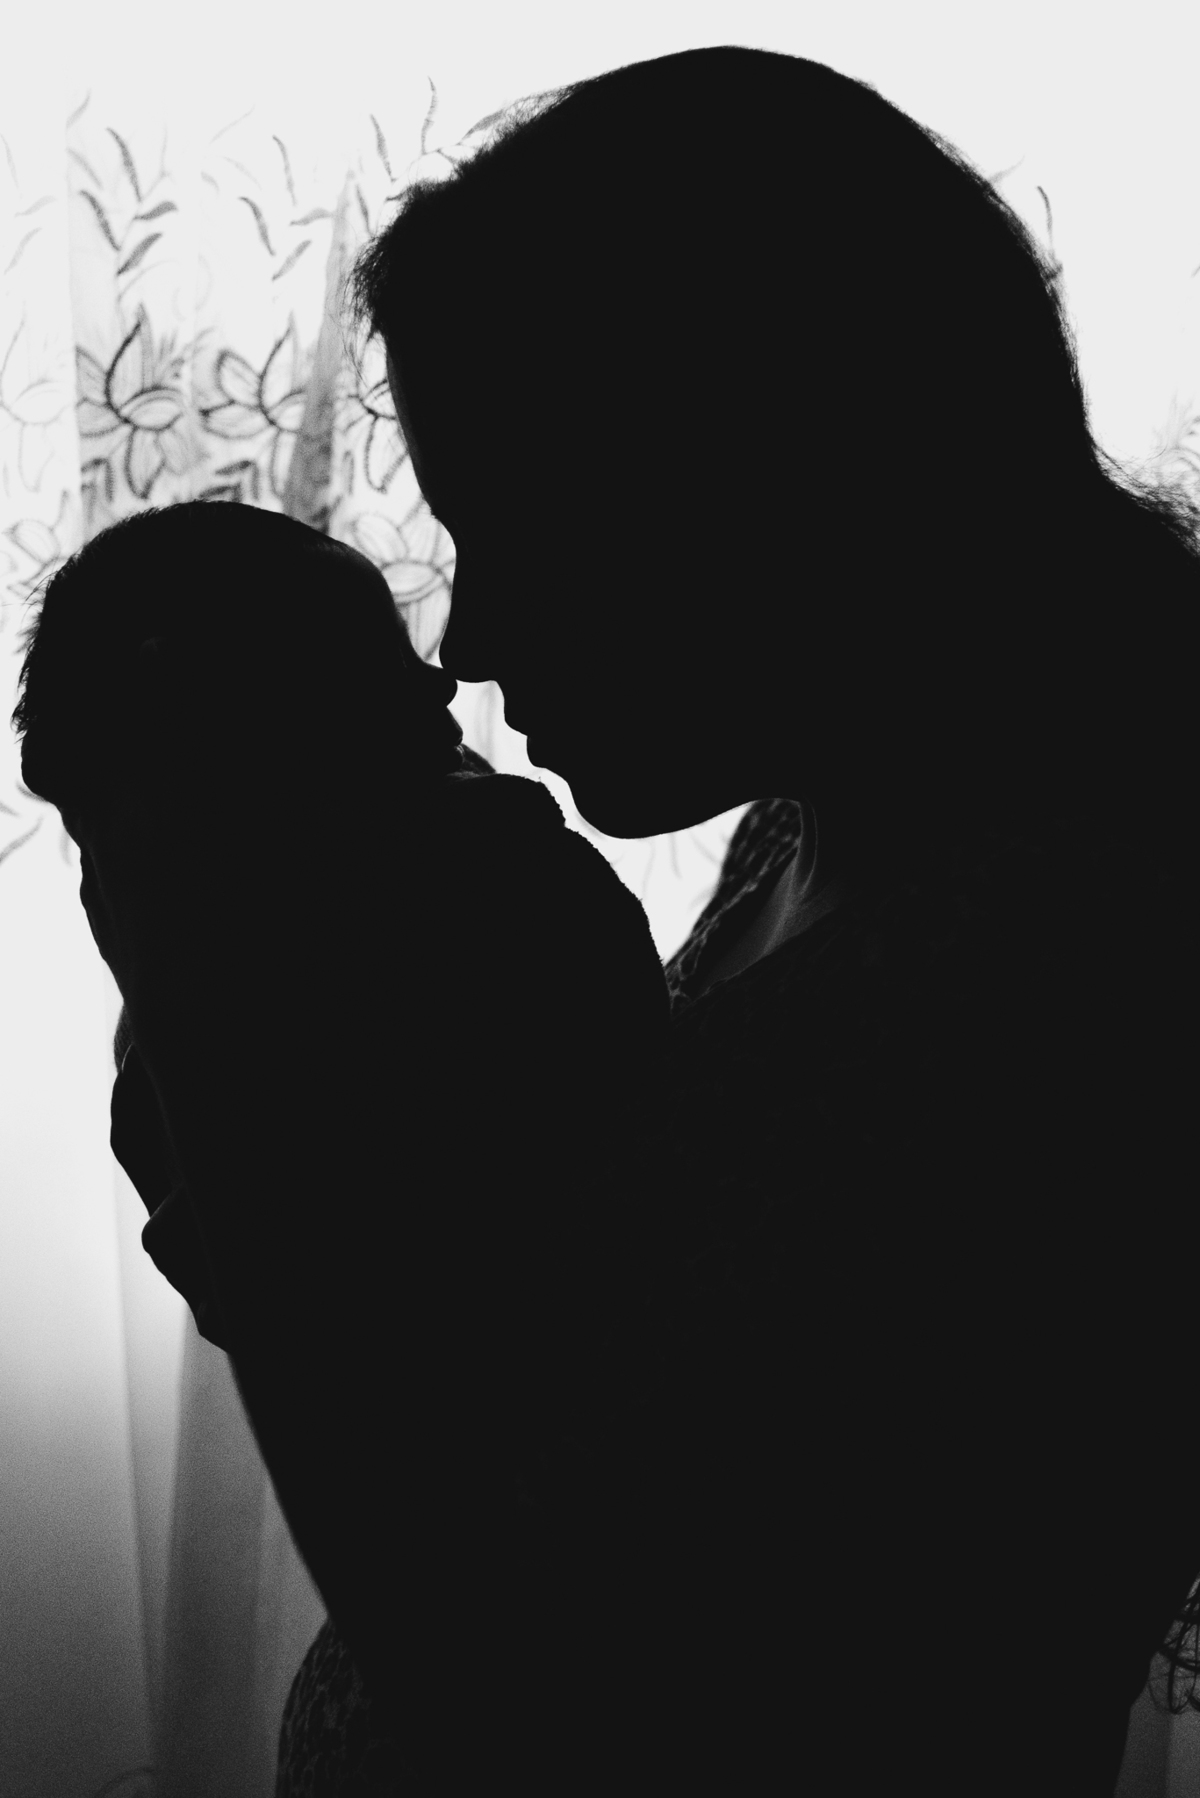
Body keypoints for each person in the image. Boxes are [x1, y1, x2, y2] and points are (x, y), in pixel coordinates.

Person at [340, 41, 1200, 1797]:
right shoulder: (813, 830)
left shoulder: (1085, 970)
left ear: (773, 473)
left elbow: (612, 1646)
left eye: (521, 530)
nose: (468, 641)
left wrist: (280, 1220)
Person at [12, 501, 676, 1794]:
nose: (443, 678)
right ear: (254, 752)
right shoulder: (463, 900)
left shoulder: (208, 1021)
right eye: (371, 670)